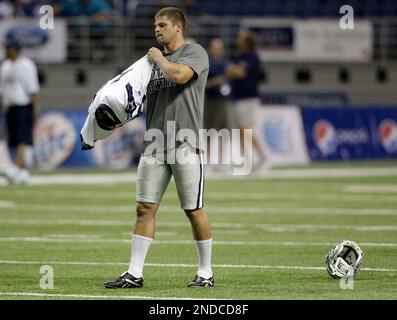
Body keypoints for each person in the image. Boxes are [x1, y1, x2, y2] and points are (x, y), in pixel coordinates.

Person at [105, 7, 214, 288]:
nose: (157, 29)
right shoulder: (150, 62)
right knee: (144, 208)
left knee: (194, 209)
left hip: (185, 142)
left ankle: (205, 272)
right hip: (154, 142)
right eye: (155, 25)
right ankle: (134, 273)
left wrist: (157, 58)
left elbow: (179, 76)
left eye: (163, 25)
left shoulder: (195, 52)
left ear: (178, 27)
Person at [227, 30, 268, 171]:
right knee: (240, 131)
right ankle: (247, 161)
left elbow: (241, 72)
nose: (238, 40)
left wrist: (232, 69)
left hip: (248, 98)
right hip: (238, 98)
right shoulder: (239, 57)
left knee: (246, 130)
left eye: (241, 38)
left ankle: (263, 158)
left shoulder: (252, 57)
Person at [0, 39, 40, 184]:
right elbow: (2, 90)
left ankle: (20, 168)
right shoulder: (5, 66)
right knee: (13, 140)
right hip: (9, 107)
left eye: (8, 48)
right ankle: (19, 168)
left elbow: (33, 89)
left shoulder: (26, 65)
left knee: (22, 139)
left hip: (23, 106)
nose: (5, 51)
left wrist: (35, 109)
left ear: (14, 50)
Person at [204, 38, 231, 170]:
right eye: (215, 47)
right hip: (211, 100)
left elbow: (230, 78)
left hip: (223, 100)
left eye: (219, 47)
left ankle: (223, 162)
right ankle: (208, 161)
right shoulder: (207, 63)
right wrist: (218, 81)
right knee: (210, 132)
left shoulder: (226, 63)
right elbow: (204, 84)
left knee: (224, 131)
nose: (217, 49)